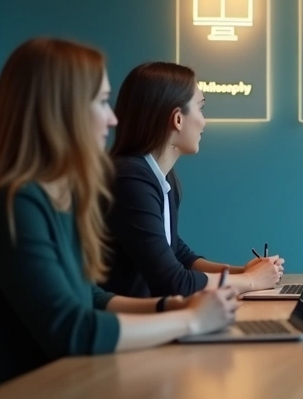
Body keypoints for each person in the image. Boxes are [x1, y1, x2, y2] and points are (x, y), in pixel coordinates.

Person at [0, 38, 238, 398]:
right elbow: (72, 330)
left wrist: (168, 306)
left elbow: (89, 297)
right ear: (61, 111)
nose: (113, 118)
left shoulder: (56, 198)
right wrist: (189, 320)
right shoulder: (11, 203)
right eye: (101, 102)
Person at [101, 62, 284, 298]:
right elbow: (173, 282)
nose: (204, 121)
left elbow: (178, 255)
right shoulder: (131, 179)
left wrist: (245, 273)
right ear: (178, 119)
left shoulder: (159, 177)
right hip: (130, 320)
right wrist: (250, 281)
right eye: (201, 108)